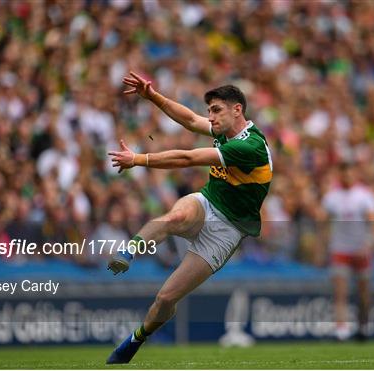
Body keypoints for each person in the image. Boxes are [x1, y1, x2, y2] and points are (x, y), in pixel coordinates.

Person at [105, 72, 273, 364]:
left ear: (238, 110)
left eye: (216, 110)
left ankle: (137, 338)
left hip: (229, 230)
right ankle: (129, 250)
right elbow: (190, 120)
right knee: (176, 217)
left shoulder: (250, 147)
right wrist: (152, 95)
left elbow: (188, 158)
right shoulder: (225, 130)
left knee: (166, 299)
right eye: (209, 110)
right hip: (208, 203)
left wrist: (139, 159)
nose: (210, 116)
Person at [320, 162, 374, 341]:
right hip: (340, 249)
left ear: (355, 174)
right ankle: (341, 329)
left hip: (361, 250)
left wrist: (368, 244)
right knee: (340, 291)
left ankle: (363, 327)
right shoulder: (332, 197)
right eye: (344, 172)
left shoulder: (365, 196)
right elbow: (322, 223)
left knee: (363, 294)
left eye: (350, 172)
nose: (347, 176)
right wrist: (322, 247)